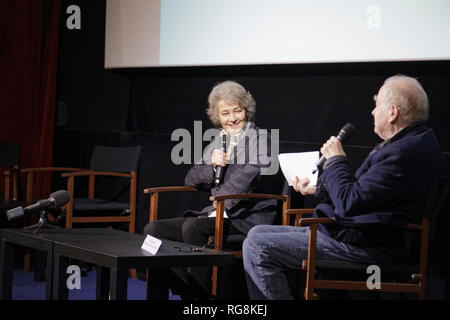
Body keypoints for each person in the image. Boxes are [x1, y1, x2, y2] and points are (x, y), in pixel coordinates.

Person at [243, 75, 446, 300]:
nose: (372, 112)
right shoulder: (412, 143)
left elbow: (350, 202)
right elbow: (368, 194)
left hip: (370, 248)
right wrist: (319, 187)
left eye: (377, 105)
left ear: (392, 112)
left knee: (258, 245)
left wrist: (336, 160)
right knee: (258, 233)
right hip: (363, 235)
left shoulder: (403, 154)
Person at [143, 80, 277, 298]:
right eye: (225, 113)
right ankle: (176, 290)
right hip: (216, 214)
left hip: (246, 218)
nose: (232, 118)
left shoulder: (261, 139)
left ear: (246, 111)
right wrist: (212, 166)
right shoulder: (218, 140)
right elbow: (191, 178)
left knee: (192, 227)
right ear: (218, 117)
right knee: (154, 230)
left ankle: (199, 299)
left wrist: (220, 196)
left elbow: (249, 175)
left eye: (237, 111)